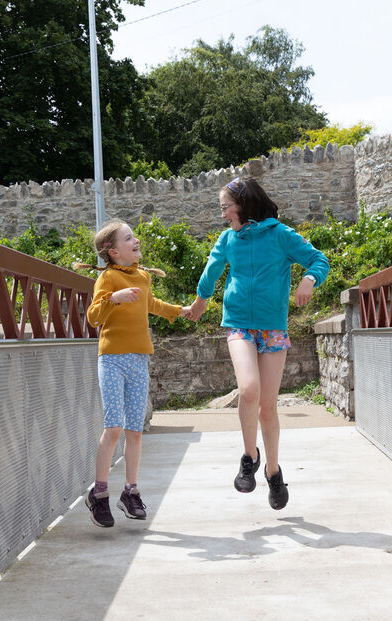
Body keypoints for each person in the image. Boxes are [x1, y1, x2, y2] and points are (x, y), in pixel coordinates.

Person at [184, 176, 330, 510]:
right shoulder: (227, 239)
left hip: (273, 328)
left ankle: (273, 471)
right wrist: (200, 301)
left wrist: (309, 279)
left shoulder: (280, 235)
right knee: (248, 390)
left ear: (244, 205)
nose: (223, 215)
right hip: (239, 324)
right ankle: (249, 457)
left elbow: (319, 260)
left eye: (226, 207)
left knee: (267, 407)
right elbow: (212, 269)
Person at [81, 220, 191, 527]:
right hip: (112, 359)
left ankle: (130, 492)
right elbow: (93, 316)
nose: (136, 240)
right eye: (129, 238)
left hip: (139, 358)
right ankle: (99, 493)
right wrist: (114, 299)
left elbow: (150, 304)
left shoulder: (142, 276)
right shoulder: (108, 277)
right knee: (114, 427)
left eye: (134, 236)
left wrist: (179, 311)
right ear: (113, 252)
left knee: (134, 430)